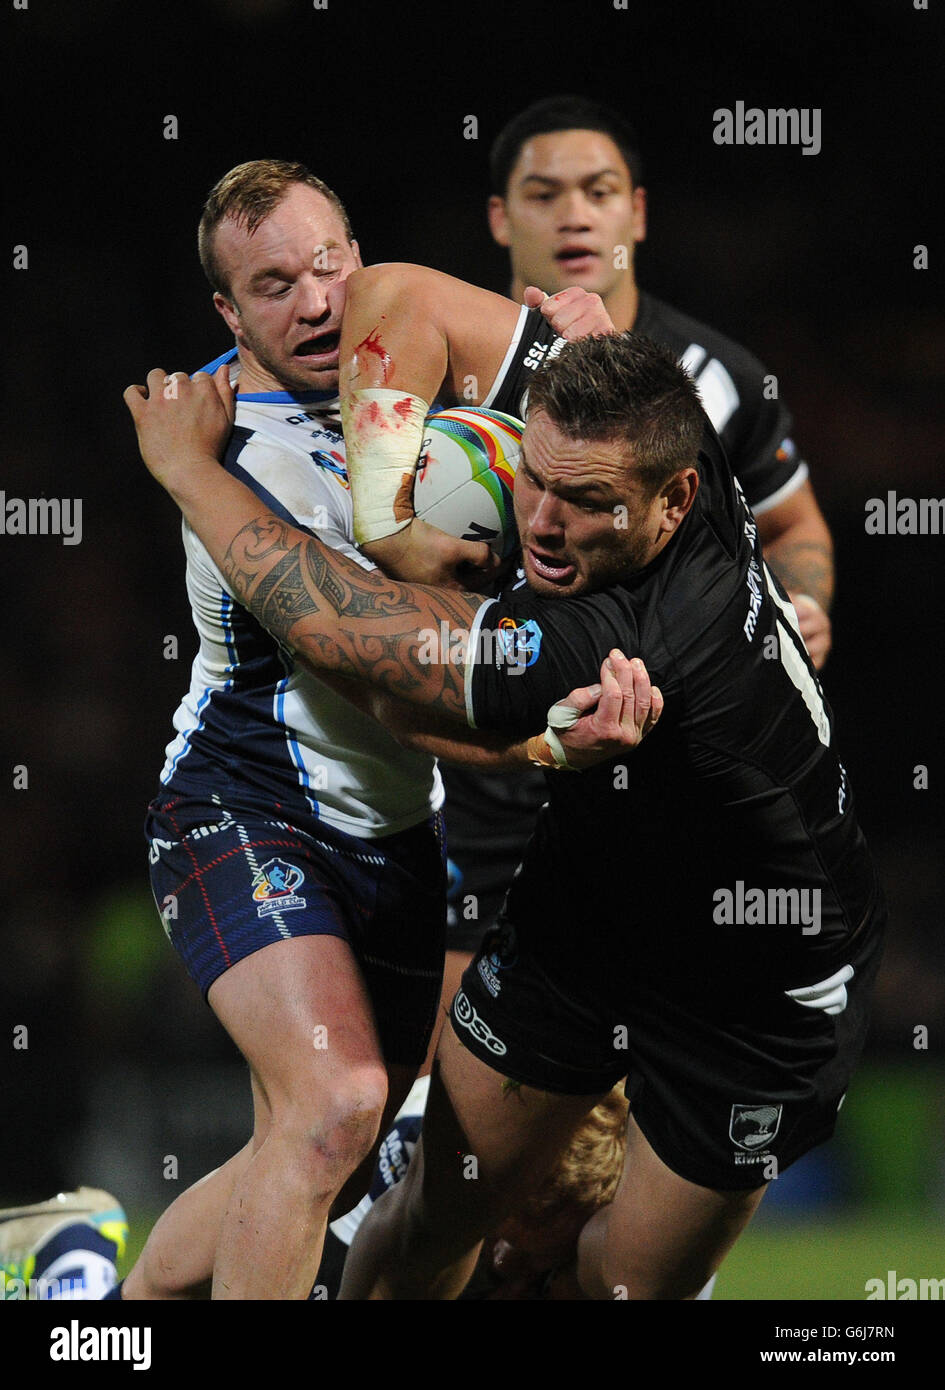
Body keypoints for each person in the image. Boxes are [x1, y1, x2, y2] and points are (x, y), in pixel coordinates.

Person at [123, 267, 885, 1300]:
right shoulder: (634, 420)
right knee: (438, 1216)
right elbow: (395, 292)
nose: (546, 526)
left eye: (589, 505)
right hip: (588, 912)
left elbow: (339, 633)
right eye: (537, 479)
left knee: (619, 1280)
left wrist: (189, 473)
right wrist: (394, 522)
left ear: (679, 500)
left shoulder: (621, 639)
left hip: (755, 975)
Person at [117, 161, 652, 1302]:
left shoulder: (420, 388)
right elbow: (389, 689)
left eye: (327, 264)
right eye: (272, 287)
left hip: (402, 837)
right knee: (338, 1104)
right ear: (228, 315)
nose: (315, 302)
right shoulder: (229, 456)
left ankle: (117, 1308)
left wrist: (591, 349)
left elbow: (611, 442)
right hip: (240, 807)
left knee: (329, 1136)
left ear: (358, 256)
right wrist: (550, 744)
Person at [441, 94, 837, 984]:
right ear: (500, 218)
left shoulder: (717, 378)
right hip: (479, 788)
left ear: (638, 211)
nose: (575, 213)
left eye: (600, 189)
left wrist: (802, 598)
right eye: (544, 194)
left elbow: (791, 522)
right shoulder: (447, 375)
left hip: (672, 796)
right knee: (440, 1109)